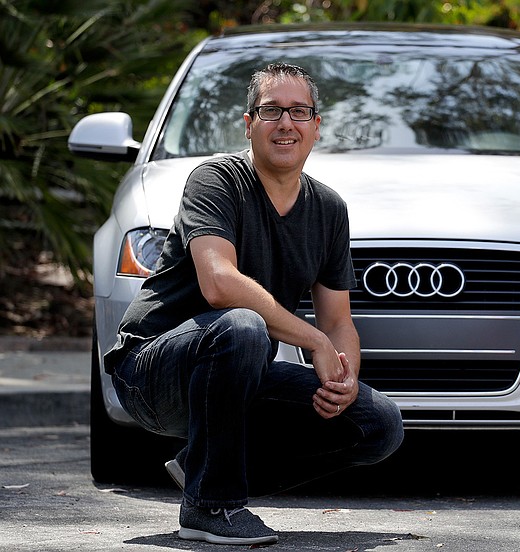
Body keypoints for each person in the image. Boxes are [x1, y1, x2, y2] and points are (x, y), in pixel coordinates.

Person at [103, 63, 404, 546]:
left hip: (237, 376)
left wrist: (343, 377)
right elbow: (220, 284)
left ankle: (205, 470)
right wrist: (313, 341)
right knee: (242, 325)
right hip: (152, 371)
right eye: (271, 111)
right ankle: (209, 506)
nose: (286, 123)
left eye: (299, 111)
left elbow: (338, 320)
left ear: (316, 125)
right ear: (249, 124)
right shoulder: (216, 181)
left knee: (378, 424)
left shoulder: (328, 210)